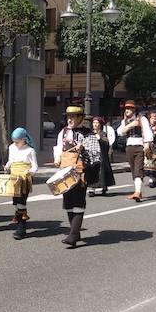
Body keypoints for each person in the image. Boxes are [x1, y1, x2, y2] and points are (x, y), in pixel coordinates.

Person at [53, 105, 94, 247]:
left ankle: (73, 234)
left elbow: (96, 153)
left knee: (78, 200)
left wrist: (84, 147)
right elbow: (58, 147)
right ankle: (75, 231)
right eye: (68, 117)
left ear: (80, 118)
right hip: (65, 169)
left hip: (80, 169)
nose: (70, 119)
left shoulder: (88, 133)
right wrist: (57, 158)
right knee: (68, 200)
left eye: (73, 117)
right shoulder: (63, 132)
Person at [4, 127, 38, 239]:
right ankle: (19, 224)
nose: (15, 143)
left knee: (21, 202)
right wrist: (7, 166)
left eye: (17, 141)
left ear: (24, 139)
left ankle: (21, 229)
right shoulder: (12, 147)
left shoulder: (30, 150)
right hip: (14, 178)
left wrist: (29, 172)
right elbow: (11, 160)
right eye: (14, 141)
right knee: (15, 202)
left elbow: (35, 166)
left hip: (24, 179)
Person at [116, 100, 153, 201]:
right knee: (133, 169)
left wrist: (147, 144)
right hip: (129, 146)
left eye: (129, 108)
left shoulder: (142, 119)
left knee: (138, 169)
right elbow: (120, 132)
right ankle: (138, 191)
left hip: (139, 146)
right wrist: (130, 125)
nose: (127, 110)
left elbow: (147, 131)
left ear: (134, 109)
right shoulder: (125, 121)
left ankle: (137, 192)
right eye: (126, 108)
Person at [88, 116, 115, 195]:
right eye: (94, 123)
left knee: (102, 171)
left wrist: (99, 138)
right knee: (93, 171)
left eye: (97, 123)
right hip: (92, 155)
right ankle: (92, 189)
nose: (95, 124)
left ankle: (103, 187)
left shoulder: (103, 133)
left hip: (101, 155)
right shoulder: (90, 133)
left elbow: (106, 143)